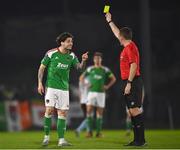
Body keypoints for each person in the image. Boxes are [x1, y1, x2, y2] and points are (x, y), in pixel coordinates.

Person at [37, 32, 88, 147]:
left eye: (72, 41)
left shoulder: (72, 56)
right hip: (51, 87)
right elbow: (41, 68)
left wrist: (83, 60)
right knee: (49, 110)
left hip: (64, 89)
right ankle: (46, 138)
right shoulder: (51, 53)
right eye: (69, 41)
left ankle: (61, 140)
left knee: (63, 113)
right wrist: (40, 83)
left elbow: (80, 68)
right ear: (62, 42)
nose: (71, 43)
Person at [105, 12, 146, 146]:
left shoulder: (130, 48)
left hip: (132, 81)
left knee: (134, 111)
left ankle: (140, 141)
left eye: (119, 36)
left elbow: (134, 66)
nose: (118, 37)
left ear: (122, 37)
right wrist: (110, 21)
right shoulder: (128, 45)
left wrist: (129, 83)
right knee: (132, 112)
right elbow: (117, 33)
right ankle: (137, 140)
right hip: (129, 81)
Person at [81, 52, 116, 138]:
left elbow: (113, 79)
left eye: (98, 58)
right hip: (91, 93)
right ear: (93, 60)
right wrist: (86, 84)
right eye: (95, 58)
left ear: (101, 59)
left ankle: (98, 132)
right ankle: (89, 132)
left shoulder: (105, 69)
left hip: (101, 93)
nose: (97, 60)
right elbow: (81, 78)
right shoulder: (90, 69)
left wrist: (107, 86)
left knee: (99, 113)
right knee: (89, 111)